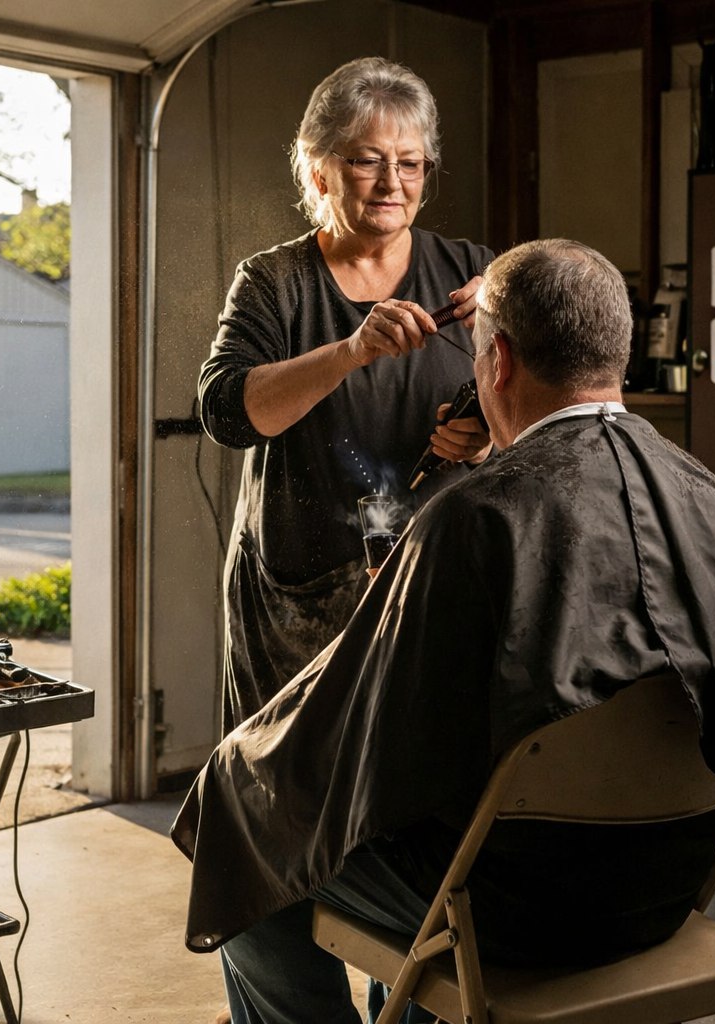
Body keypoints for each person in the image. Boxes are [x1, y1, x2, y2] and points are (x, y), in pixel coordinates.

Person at [172, 239, 715, 1024]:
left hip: (512, 909)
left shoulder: (476, 518)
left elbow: (354, 742)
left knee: (235, 805)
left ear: (499, 362)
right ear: (616, 352)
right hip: (674, 882)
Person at [198, 56, 494, 734]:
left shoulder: (472, 274)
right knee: (288, 796)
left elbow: (543, 426)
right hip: (300, 598)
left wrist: (485, 437)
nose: (393, 183)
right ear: (317, 167)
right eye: (368, 161)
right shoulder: (275, 282)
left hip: (432, 591)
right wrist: (351, 351)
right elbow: (225, 414)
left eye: (411, 164)